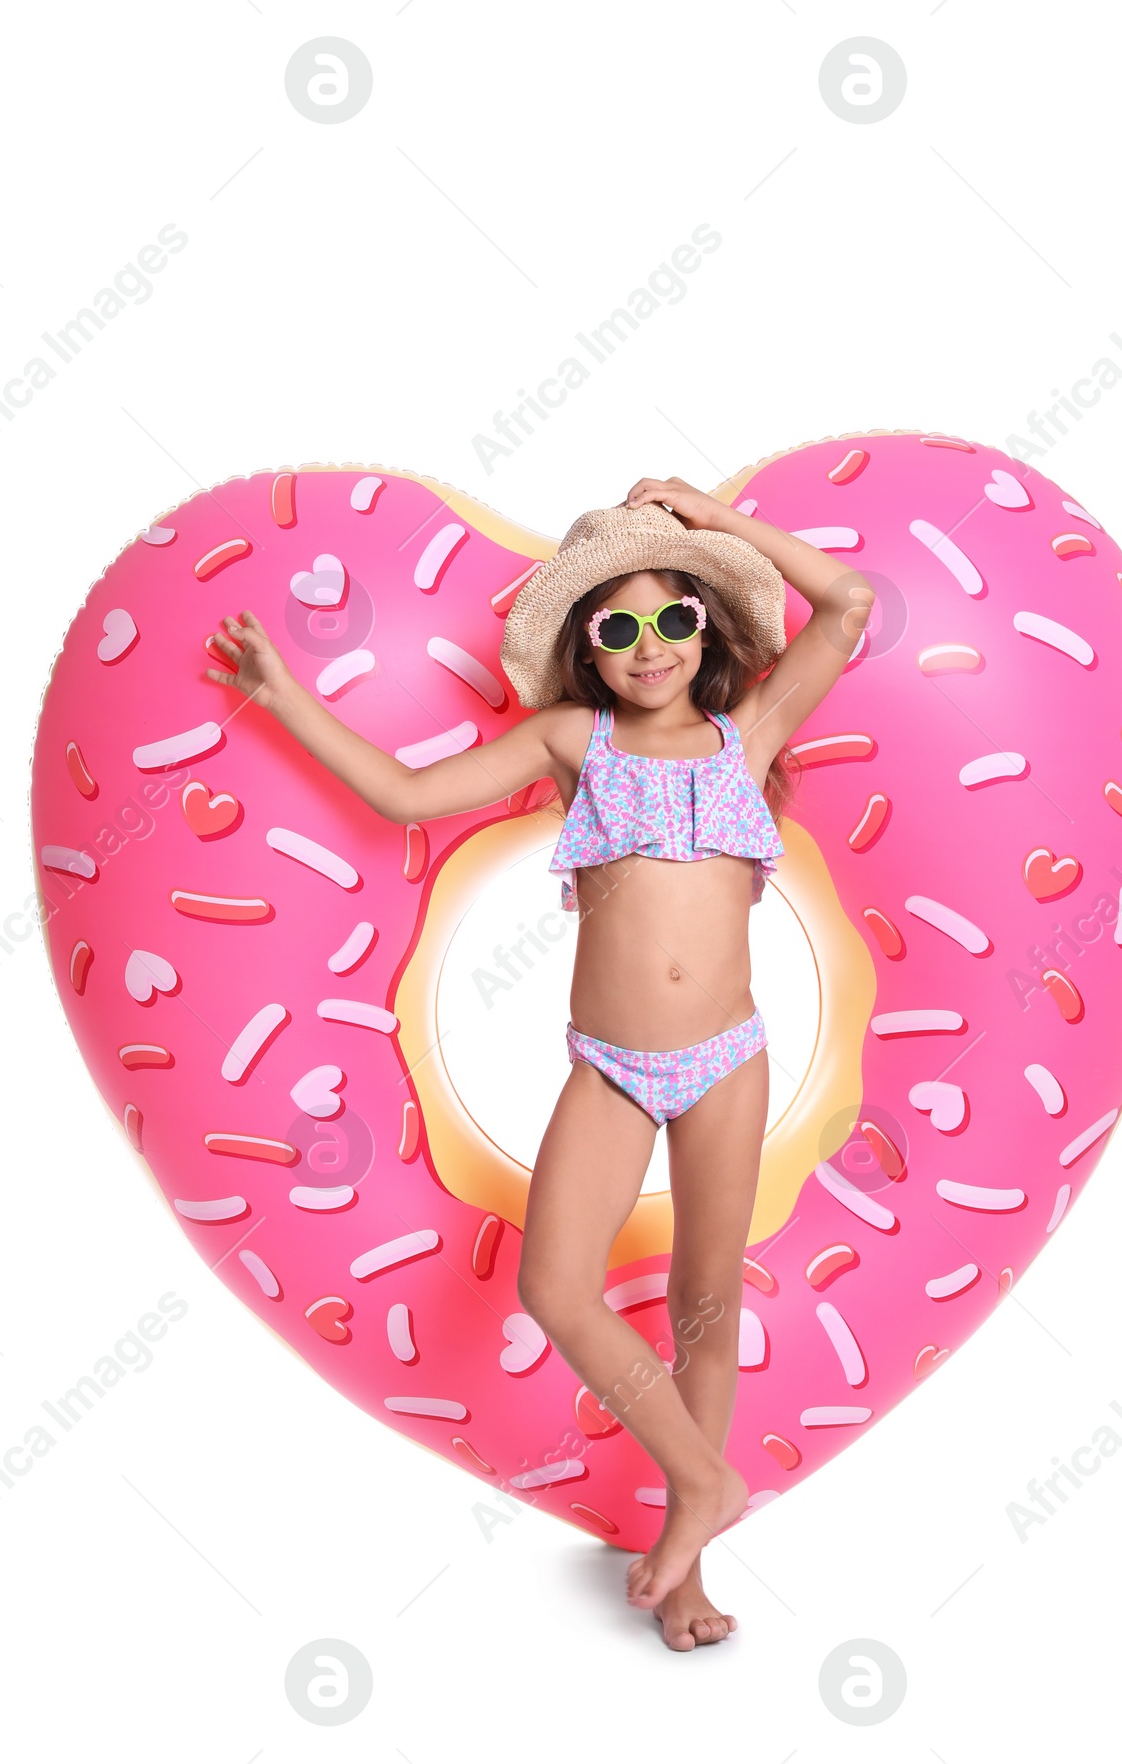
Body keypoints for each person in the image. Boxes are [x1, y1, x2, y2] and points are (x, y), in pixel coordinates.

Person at [204, 476, 871, 1649]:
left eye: (672, 618)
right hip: (612, 1065)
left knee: (702, 1308)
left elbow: (852, 602)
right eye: (616, 630)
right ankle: (702, 1479)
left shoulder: (748, 733)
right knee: (554, 1287)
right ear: (589, 651)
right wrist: (282, 700)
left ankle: (692, 1557)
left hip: (729, 1061)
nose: (648, 647)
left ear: (706, 622)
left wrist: (715, 526)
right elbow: (407, 793)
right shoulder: (575, 741)